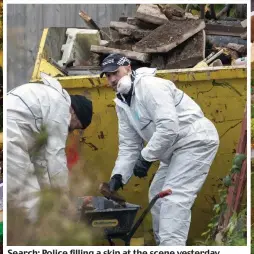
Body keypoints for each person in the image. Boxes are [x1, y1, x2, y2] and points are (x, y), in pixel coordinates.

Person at [100, 54, 219, 246]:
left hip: (195, 141)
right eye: (107, 76)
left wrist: (146, 158)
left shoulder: (149, 86)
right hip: (173, 150)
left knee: (173, 199)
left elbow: (168, 127)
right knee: (157, 195)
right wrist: (119, 176)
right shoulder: (122, 102)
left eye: (115, 72)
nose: (112, 79)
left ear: (128, 69)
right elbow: (130, 145)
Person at [7, 72, 93, 222]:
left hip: (13, 131)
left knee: (26, 194)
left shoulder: (50, 103)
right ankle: (30, 242)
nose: (71, 131)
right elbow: (56, 157)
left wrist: (51, 194)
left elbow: (41, 161)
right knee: (30, 200)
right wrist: (65, 199)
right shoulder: (60, 107)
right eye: (75, 126)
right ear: (73, 112)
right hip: (12, 134)